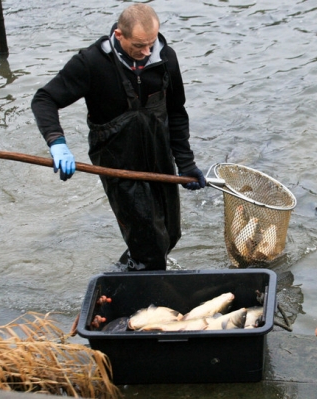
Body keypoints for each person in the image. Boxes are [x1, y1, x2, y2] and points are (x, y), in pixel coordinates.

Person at [31, 3, 206, 271]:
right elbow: (44, 99)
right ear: (119, 35)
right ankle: (140, 292)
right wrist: (57, 143)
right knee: (150, 248)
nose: (147, 52)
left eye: (151, 43)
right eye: (139, 45)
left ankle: (123, 273)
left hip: (159, 157)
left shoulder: (166, 58)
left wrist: (185, 163)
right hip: (117, 163)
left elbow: (176, 113)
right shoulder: (90, 63)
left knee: (170, 235)